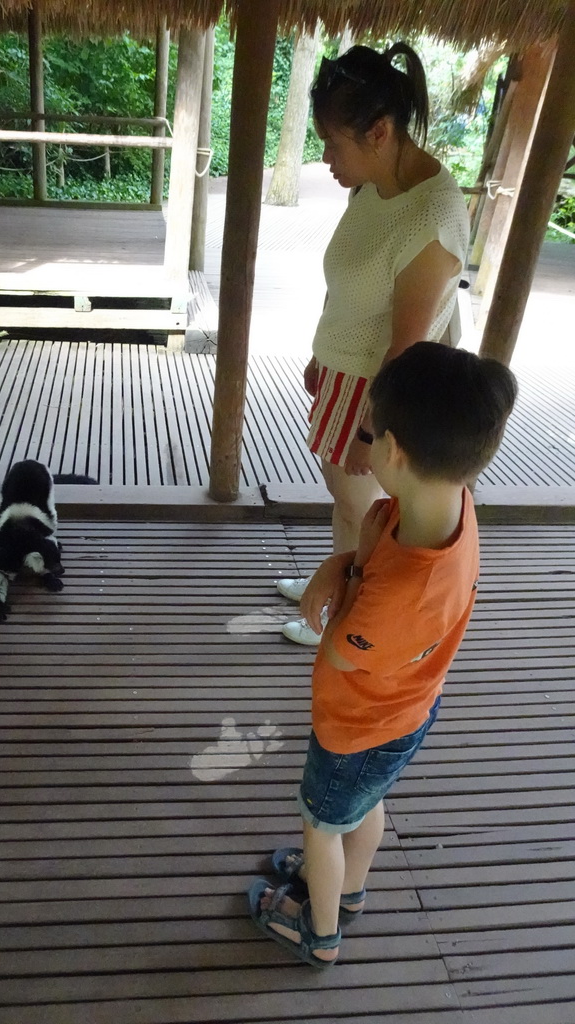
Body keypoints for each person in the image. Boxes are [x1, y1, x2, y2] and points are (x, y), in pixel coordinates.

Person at [248, 341, 517, 968]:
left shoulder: (405, 589)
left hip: (356, 725)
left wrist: (340, 582)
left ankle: (319, 934)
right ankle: (348, 890)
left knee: (320, 822)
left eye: (368, 433)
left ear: (392, 452)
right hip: (404, 714)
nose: (361, 444)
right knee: (364, 804)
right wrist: (340, 563)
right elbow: (369, 551)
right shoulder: (444, 504)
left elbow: (341, 652)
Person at [278, 43, 470, 646]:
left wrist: (370, 431)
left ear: (380, 131)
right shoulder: (373, 185)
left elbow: (405, 349)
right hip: (346, 371)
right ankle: (333, 579)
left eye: (334, 143)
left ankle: (345, 614)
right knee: (344, 494)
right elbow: (350, 277)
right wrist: (321, 351)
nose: (327, 158)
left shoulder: (430, 218)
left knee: (367, 510)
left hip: (381, 390)